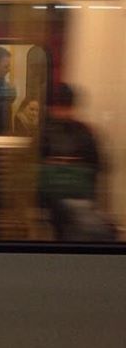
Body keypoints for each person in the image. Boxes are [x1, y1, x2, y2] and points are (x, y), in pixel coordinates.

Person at [38, 83, 114, 241]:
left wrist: (56, 163)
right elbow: (98, 165)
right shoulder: (84, 131)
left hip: (59, 195)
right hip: (77, 195)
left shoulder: (44, 132)